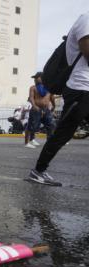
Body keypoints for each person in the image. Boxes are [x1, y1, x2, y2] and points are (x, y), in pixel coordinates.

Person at [29, 12, 89, 186]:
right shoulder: (87, 18)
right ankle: (38, 170)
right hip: (80, 88)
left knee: (61, 132)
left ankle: (38, 170)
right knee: (63, 133)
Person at [24, 72, 55, 149]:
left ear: (42, 78)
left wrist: (54, 106)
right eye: (34, 78)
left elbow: (52, 97)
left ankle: (49, 142)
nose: (34, 79)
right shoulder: (33, 87)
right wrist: (34, 106)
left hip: (46, 110)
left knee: (50, 125)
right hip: (36, 109)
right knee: (32, 126)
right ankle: (27, 142)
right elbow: (31, 98)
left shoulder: (48, 87)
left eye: (36, 78)